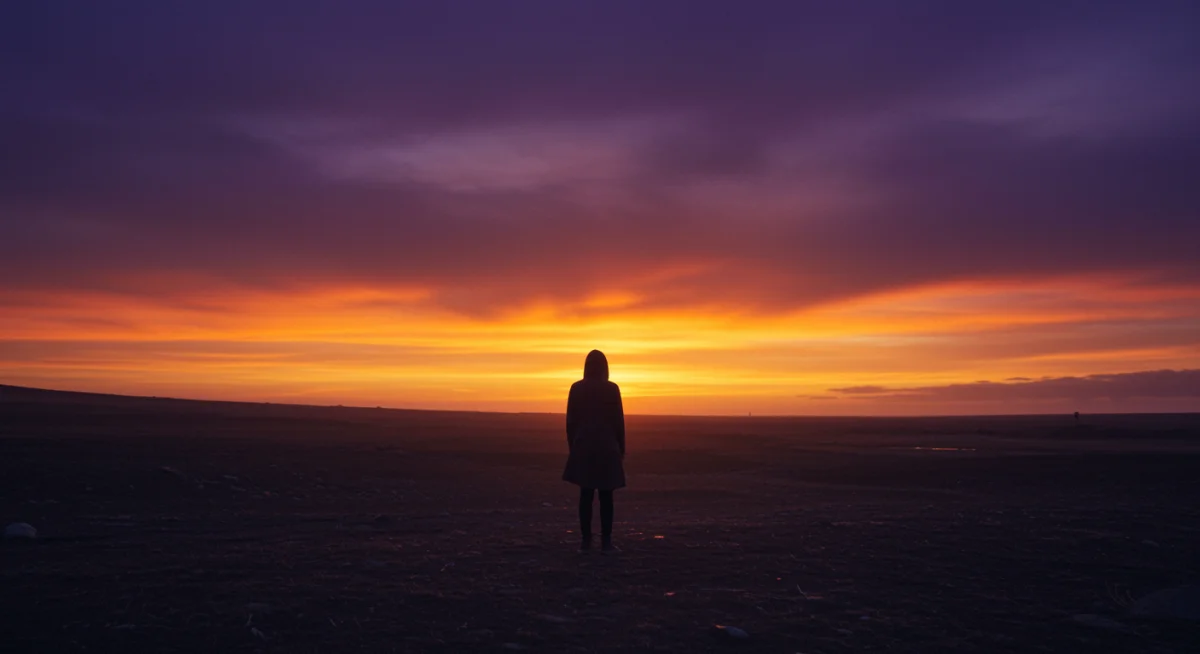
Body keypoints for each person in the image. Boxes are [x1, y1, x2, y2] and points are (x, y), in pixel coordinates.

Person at [562, 350, 626, 552]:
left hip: (584, 446)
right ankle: (606, 541)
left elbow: (570, 422)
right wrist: (621, 447)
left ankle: (586, 541)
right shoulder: (612, 389)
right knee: (606, 496)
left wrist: (573, 447)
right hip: (607, 446)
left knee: (586, 494)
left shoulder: (577, 388)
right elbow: (619, 421)